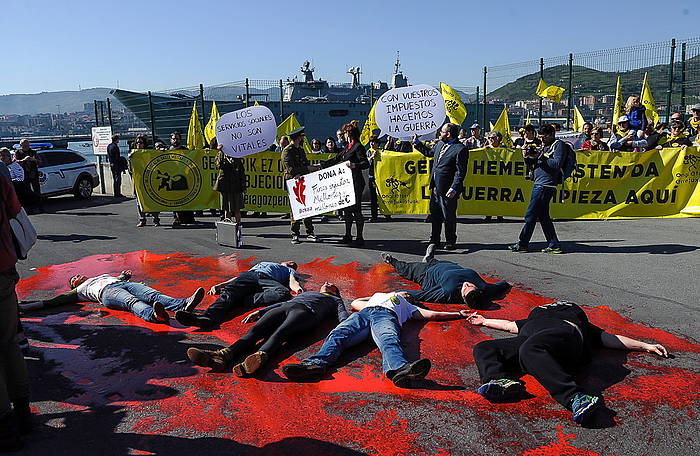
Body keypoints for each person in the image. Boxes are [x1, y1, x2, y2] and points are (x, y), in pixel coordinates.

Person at [468, 301, 669, 424]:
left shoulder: (577, 320)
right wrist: (484, 321)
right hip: (530, 339)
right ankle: (498, 381)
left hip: (563, 336)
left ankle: (575, 398)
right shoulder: (531, 318)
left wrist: (644, 346)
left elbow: (610, 338)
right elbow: (510, 326)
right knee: (484, 347)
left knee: (530, 350)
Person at [282, 291, 473, 387]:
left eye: (408, 294)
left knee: (388, 339)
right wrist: (373, 296)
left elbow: (432, 315)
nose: (406, 293)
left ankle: (399, 369)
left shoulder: (407, 306)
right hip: (362, 314)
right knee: (337, 334)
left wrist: (458, 313)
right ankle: (315, 364)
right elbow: (356, 303)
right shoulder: (377, 295)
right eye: (404, 292)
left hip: (385, 315)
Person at [186, 282, 348, 376]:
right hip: (287, 306)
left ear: (335, 291)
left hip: (306, 313)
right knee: (255, 331)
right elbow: (282, 303)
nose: (327, 284)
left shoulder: (335, 300)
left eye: (331, 285)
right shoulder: (309, 292)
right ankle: (222, 356)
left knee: (281, 333)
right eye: (325, 283)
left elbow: (343, 316)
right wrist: (261, 311)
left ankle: (259, 357)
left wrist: (343, 327)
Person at [19, 271, 205, 324]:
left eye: (76, 276)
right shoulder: (80, 290)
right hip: (107, 293)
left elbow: (121, 278)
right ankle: (154, 316)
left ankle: (183, 304)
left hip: (118, 283)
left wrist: (124, 276)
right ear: (74, 285)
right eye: (73, 280)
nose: (77, 278)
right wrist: (27, 307)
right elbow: (54, 301)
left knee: (152, 294)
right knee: (133, 302)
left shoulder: (101, 275)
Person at [175, 261, 302, 329]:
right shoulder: (265, 263)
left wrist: (298, 290)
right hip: (250, 275)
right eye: (290, 262)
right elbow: (238, 278)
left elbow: (292, 281)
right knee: (230, 292)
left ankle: (241, 300)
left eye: (293, 264)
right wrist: (221, 285)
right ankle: (206, 319)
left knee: (283, 293)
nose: (291, 263)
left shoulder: (289, 270)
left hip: (266, 279)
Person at [0, 173, 31, 451]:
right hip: (2, 266)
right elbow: (14, 209)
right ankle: (22, 411)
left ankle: (4, 425)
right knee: (9, 343)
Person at [380, 252, 511, 307]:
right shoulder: (484, 289)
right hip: (446, 264)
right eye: (471, 285)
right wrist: (507, 284)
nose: (467, 284)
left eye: (465, 288)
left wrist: (395, 293)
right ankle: (429, 258)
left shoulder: (447, 292)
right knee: (433, 261)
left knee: (405, 269)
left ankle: (391, 260)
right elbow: (499, 286)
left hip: (426, 274)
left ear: (463, 297)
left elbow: (423, 295)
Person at [413, 123, 468, 252]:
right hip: (436, 188)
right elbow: (429, 153)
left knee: (448, 216)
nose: (439, 134)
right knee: (435, 215)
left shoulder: (460, 149)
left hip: (448, 190)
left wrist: (454, 188)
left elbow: (460, 172)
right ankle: (434, 239)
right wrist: (416, 142)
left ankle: (450, 241)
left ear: (448, 134)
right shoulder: (439, 145)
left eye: (442, 132)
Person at [510, 124, 565, 254]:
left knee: (530, 214)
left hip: (545, 185)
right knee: (543, 216)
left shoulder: (558, 145)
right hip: (539, 182)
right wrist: (527, 156)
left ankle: (523, 243)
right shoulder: (544, 146)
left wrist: (540, 155)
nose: (541, 140)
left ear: (551, 134)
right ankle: (553, 244)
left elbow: (556, 164)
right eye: (540, 137)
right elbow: (533, 164)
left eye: (544, 137)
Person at [322, 122, 370, 246]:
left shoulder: (358, 147)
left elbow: (365, 163)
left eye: (345, 132)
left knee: (356, 210)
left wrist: (354, 165)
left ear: (349, 133)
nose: (343, 135)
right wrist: (321, 165)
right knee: (347, 210)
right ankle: (348, 234)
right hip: (347, 183)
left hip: (356, 182)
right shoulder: (347, 147)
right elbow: (336, 158)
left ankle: (360, 237)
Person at [282, 127, 319, 244]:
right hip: (293, 183)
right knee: (295, 210)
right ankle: (295, 234)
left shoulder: (300, 150)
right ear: (297, 138)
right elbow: (291, 169)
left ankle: (310, 232)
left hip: (303, 182)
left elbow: (305, 163)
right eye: (301, 137)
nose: (302, 139)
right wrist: (307, 168)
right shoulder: (287, 151)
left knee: (307, 208)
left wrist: (313, 166)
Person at [130, 135, 161, 227]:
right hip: (138, 181)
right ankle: (142, 219)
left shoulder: (149, 153)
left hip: (149, 181)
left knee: (153, 200)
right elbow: (131, 170)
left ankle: (156, 219)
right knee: (139, 201)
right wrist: (130, 159)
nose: (139, 144)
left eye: (141, 143)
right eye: (137, 143)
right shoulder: (133, 154)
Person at [214, 142, 246, 225]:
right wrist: (221, 151)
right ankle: (228, 226)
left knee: (237, 208)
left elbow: (242, 171)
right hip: (225, 184)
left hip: (236, 184)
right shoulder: (221, 155)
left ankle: (238, 225)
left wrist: (243, 185)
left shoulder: (237, 156)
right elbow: (219, 165)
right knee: (226, 208)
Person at [169, 132, 197, 226]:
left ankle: (189, 218)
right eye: (173, 138)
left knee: (186, 199)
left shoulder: (185, 150)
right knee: (175, 199)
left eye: (177, 138)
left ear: (180, 140)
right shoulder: (168, 151)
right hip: (173, 178)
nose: (175, 140)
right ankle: (177, 218)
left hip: (184, 178)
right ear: (171, 140)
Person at [14, 140, 41, 213]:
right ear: (21, 145)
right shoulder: (18, 152)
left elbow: (39, 162)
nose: (26, 147)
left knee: (37, 191)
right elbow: (15, 162)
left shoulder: (33, 152)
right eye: (24, 145)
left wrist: (33, 159)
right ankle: (30, 208)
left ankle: (40, 207)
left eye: (27, 145)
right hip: (24, 174)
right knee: (27, 192)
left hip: (33, 174)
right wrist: (24, 160)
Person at [366, 136, 390, 223]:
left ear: (378, 143)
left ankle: (387, 214)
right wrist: (371, 157)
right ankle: (374, 215)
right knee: (373, 198)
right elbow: (366, 163)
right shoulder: (369, 152)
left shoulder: (382, 151)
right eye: (371, 142)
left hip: (382, 177)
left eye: (374, 142)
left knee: (384, 196)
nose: (372, 144)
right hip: (372, 177)